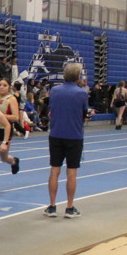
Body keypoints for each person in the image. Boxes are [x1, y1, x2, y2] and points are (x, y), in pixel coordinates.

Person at [45, 63, 89, 219]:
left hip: (56, 134)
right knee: (71, 172)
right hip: (74, 136)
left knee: (54, 170)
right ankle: (69, 208)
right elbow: (84, 113)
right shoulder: (81, 93)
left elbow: (51, 110)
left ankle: (52, 206)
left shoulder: (54, 90)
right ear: (78, 76)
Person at [0, 78, 21, 187]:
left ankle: (13, 161)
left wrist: (0, 116)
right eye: (0, 84)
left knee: (4, 158)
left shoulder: (11, 99)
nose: (1, 87)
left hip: (5, 129)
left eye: (4, 85)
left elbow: (15, 117)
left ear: (9, 87)